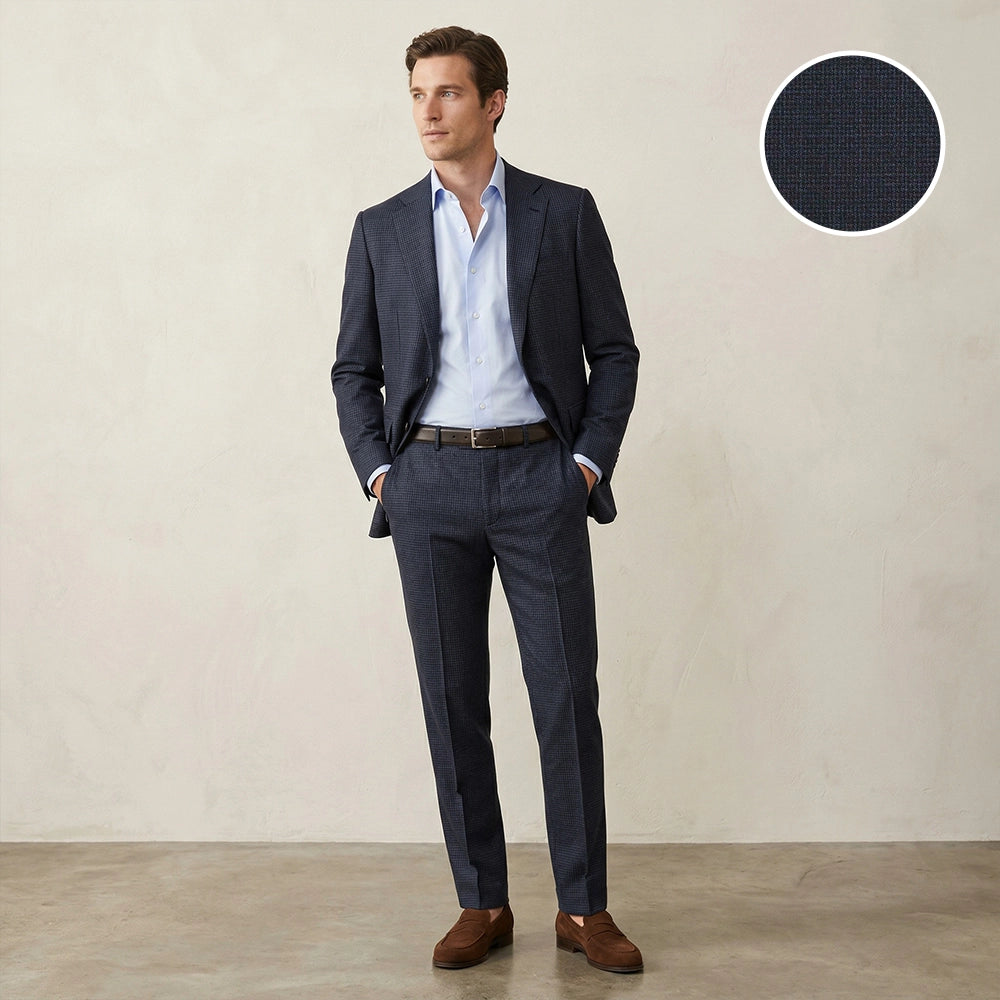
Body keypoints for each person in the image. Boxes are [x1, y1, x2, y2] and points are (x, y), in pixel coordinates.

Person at [331, 26, 642, 974]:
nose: (428, 112)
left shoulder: (562, 212)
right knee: (452, 698)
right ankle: (483, 901)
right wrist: (383, 474)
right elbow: (353, 370)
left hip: (539, 479)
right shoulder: (382, 227)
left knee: (565, 695)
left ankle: (583, 909)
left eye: (449, 93)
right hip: (427, 485)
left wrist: (583, 465)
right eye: (417, 94)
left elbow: (614, 352)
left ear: (493, 103)